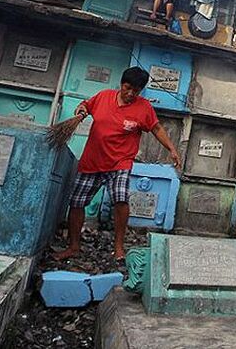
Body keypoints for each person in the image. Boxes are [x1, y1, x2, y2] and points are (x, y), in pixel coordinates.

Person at [53, 66, 182, 263]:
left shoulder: (144, 108)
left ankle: (119, 248)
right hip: (92, 160)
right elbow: (86, 105)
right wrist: (81, 109)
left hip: (120, 161)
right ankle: (74, 246)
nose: (130, 93)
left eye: (135, 91)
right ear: (121, 84)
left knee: (121, 199)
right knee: (77, 202)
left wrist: (172, 149)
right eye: (127, 88)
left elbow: (156, 129)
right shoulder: (104, 96)